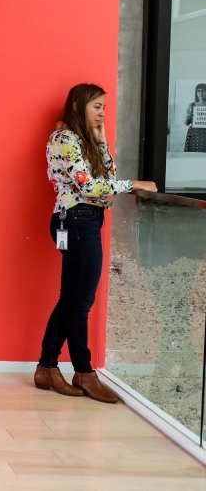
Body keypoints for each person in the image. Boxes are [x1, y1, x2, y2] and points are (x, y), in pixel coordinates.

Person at [37, 83, 157, 402]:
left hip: (80, 222)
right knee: (80, 301)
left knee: (71, 298)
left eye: (104, 107)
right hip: (76, 221)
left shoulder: (83, 140)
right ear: (78, 106)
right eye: (96, 106)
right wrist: (135, 184)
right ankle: (84, 372)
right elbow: (89, 187)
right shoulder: (65, 138)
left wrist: (102, 142)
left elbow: (107, 177)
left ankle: (46, 368)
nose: (102, 113)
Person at [184, 83, 206, 152]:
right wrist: (190, 116)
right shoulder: (191, 106)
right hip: (195, 134)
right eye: (198, 91)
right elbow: (186, 123)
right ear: (196, 93)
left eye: (203, 91)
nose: (201, 93)